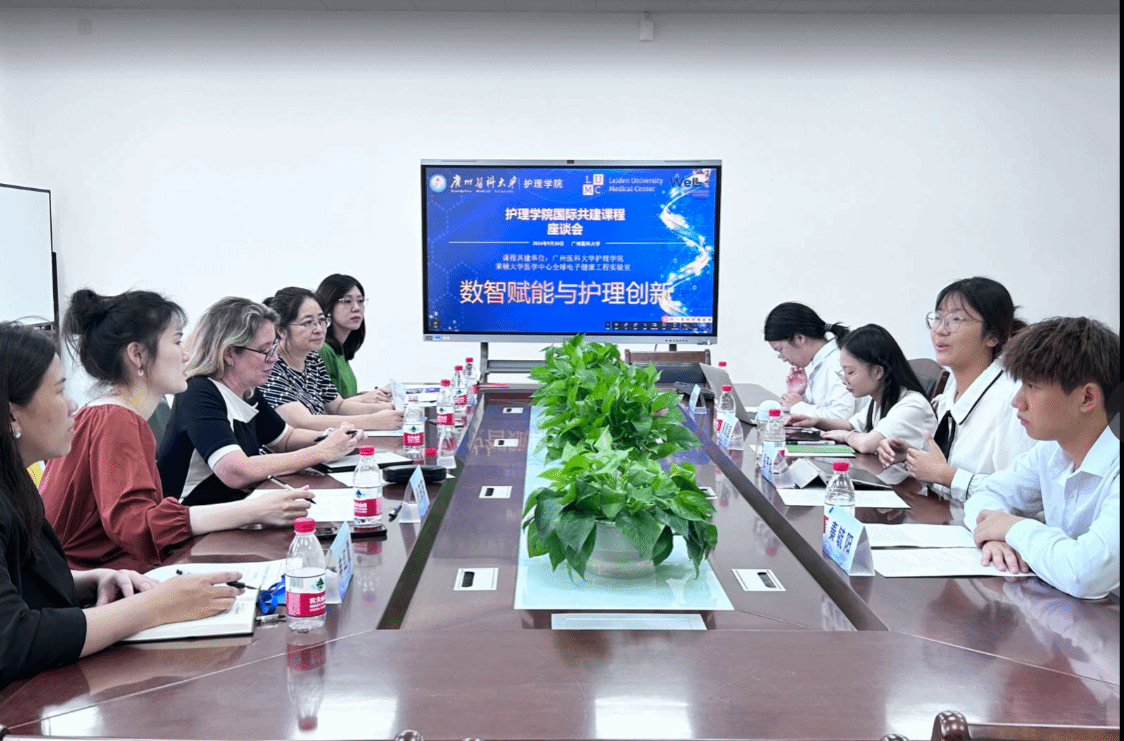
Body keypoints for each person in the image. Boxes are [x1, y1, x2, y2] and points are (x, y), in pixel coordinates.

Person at [0, 322, 241, 687]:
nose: (73, 405)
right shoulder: (115, 418)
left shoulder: (15, 481)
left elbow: (21, 582)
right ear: (12, 415)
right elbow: (12, 640)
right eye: (60, 391)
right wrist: (155, 607)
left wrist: (94, 579)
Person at [39, 289, 315, 573]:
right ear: (137, 354)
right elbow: (137, 528)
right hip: (94, 581)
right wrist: (252, 511)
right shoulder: (115, 420)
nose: (186, 355)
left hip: (112, 570)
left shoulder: (115, 415)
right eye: (177, 340)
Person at [964, 317, 1119, 600]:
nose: (1017, 401)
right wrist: (994, 536)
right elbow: (986, 493)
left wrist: (1013, 528)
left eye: (1032, 386)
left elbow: (1086, 574)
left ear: (1087, 398)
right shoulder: (1051, 451)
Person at [157, 297, 361, 506]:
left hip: (235, 506)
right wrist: (321, 451)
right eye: (264, 351)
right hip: (192, 516)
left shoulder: (246, 390)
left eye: (274, 347)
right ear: (230, 354)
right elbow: (236, 471)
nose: (274, 358)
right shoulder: (197, 392)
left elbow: (285, 439)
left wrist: (334, 437)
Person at [877, 278, 1036, 509]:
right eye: (938, 317)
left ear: (992, 336)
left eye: (956, 319)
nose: (940, 330)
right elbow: (945, 466)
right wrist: (911, 455)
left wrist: (947, 476)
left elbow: (1024, 496)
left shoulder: (1012, 401)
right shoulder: (951, 391)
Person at [260, 287, 403, 432]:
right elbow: (303, 422)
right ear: (281, 330)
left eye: (322, 320)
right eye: (308, 322)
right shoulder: (269, 365)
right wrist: (374, 421)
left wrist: (390, 408)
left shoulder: (312, 358)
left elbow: (338, 406)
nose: (319, 329)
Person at [786, 324, 937, 454]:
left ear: (878, 371)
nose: (844, 379)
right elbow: (851, 424)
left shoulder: (911, 405)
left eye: (850, 372)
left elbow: (867, 444)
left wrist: (845, 436)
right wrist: (815, 421)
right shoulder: (878, 401)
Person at [762, 302, 854, 420]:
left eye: (780, 350)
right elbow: (819, 408)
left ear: (799, 338)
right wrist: (799, 395)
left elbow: (841, 416)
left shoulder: (837, 362)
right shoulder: (821, 362)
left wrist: (797, 406)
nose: (783, 358)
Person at [314, 274, 392, 404]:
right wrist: (362, 399)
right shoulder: (323, 350)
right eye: (347, 301)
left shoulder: (340, 350)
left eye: (360, 301)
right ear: (328, 305)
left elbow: (343, 398)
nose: (356, 308)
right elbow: (324, 408)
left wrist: (367, 396)